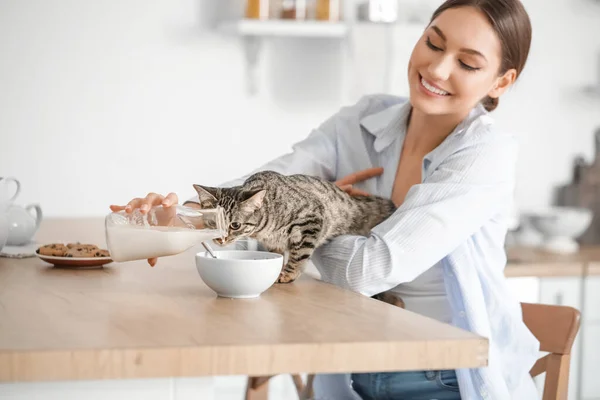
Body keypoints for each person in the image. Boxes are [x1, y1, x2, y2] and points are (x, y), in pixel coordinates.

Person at [111, 0, 540, 398]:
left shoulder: (485, 155)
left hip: (445, 377)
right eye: (433, 42)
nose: (438, 68)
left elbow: (370, 269)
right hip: (349, 365)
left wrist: (315, 216)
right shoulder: (362, 121)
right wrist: (184, 217)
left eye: (467, 63)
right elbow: (272, 184)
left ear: (501, 82)